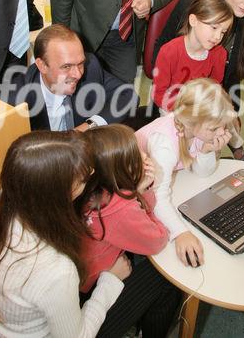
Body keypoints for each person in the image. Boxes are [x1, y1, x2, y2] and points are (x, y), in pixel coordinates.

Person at [0, 130, 132, 337]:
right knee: (154, 281)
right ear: (57, 194)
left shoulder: (2, 200)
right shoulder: (56, 270)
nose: (90, 175)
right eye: (84, 178)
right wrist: (110, 281)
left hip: (10, 322)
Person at [76, 125, 181, 337]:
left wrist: (134, 192)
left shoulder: (89, 189)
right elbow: (158, 240)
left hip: (79, 279)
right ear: (120, 169)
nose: (145, 156)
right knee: (167, 278)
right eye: (136, 154)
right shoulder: (120, 209)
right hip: (91, 296)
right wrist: (144, 194)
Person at [135, 78, 237, 266]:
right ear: (191, 123)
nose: (221, 131)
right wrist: (180, 233)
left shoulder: (197, 130)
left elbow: (202, 173)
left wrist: (207, 151)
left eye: (223, 125)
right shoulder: (165, 145)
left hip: (160, 179)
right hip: (135, 188)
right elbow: (158, 197)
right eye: (215, 128)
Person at [5, 24, 138, 131]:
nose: (78, 74)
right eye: (66, 67)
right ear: (42, 65)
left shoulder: (91, 67)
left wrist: (88, 126)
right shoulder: (15, 100)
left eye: (80, 64)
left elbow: (129, 95)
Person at [153, 0, 233, 112]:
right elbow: (159, 93)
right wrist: (186, 112)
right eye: (214, 28)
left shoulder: (219, 53)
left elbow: (215, 88)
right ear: (193, 20)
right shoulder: (169, 51)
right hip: (172, 109)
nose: (218, 37)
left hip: (202, 109)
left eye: (223, 32)